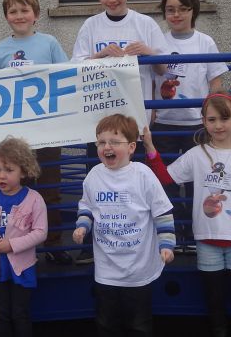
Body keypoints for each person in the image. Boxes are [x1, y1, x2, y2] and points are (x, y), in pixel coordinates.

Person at [142, 91, 231, 337]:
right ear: (203, 122)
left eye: (224, 118)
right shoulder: (196, 155)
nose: (218, 125)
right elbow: (166, 177)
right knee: (213, 299)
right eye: (212, 120)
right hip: (206, 241)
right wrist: (149, 147)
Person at [71, 0, 169, 264]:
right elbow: (75, 67)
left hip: (135, 123)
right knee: (99, 182)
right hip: (99, 123)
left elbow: (164, 69)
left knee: (138, 186)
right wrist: (99, 56)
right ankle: (93, 245)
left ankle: (144, 243)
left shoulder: (145, 25)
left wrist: (149, 53)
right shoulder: (91, 26)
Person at [0, 0, 72, 265]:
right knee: (16, 189)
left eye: (25, 10)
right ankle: (20, 245)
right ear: (6, 16)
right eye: (13, 11)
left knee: (49, 190)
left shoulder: (49, 43)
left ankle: (53, 245)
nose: (19, 15)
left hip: (47, 132)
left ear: (35, 15)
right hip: (15, 137)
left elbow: (67, 76)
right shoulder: (0, 49)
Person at [73, 114, 175, 337]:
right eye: (101, 142)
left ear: (131, 147)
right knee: (106, 323)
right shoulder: (94, 175)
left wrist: (167, 245)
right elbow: (87, 206)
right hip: (106, 268)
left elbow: (163, 213)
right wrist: (83, 226)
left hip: (138, 268)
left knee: (139, 324)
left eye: (113, 142)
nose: (106, 147)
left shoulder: (143, 175)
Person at [152, 0, 229, 254]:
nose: (176, 14)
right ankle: (177, 232)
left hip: (197, 126)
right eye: (170, 10)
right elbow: (151, 80)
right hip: (164, 124)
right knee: (168, 183)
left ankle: (198, 235)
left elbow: (216, 84)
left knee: (200, 182)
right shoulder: (158, 41)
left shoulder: (205, 42)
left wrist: (214, 119)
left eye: (182, 9)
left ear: (193, 10)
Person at [0, 137, 48, 337]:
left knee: (20, 314)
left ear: (23, 171)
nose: (1, 176)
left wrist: (12, 245)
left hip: (23, 268)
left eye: (9, 170)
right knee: (2, 314)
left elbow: (41, 232)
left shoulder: (34, 199)